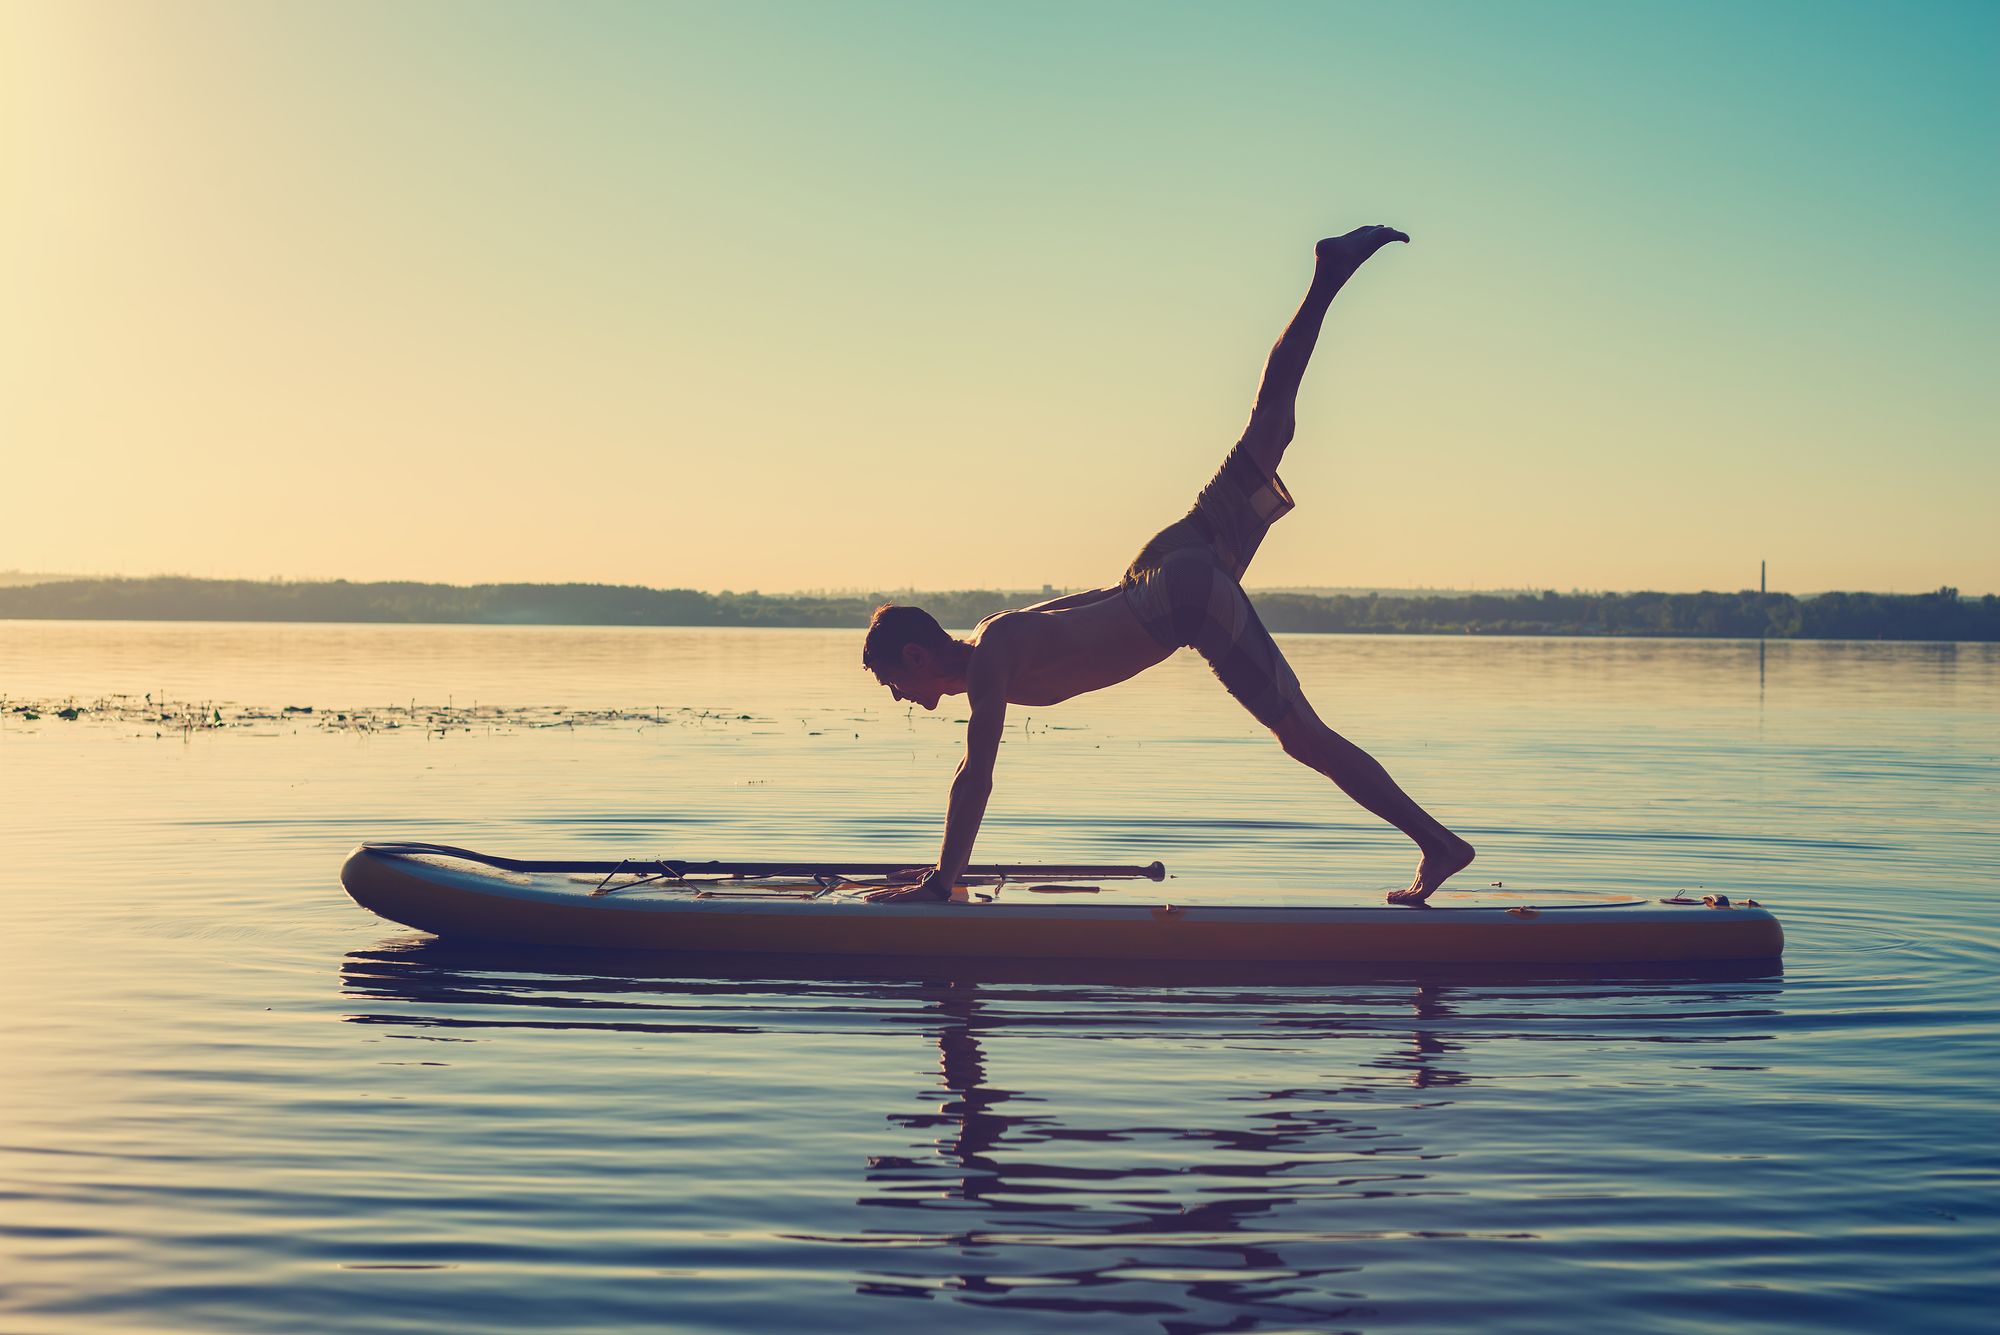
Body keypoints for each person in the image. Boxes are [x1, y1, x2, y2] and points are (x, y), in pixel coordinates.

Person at [862, 226, 1474, 906]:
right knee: (1271, 429)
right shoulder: (996, 631)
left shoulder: (991, 661)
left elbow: (975, 772)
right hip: (1163, 569)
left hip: (1179, 596)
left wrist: (941, 882)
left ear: (917, 656)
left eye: (892, 680)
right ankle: (1327, 276)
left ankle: (1438, 844)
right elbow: (1093, 599)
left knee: (1302, 735)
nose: (895, 697)